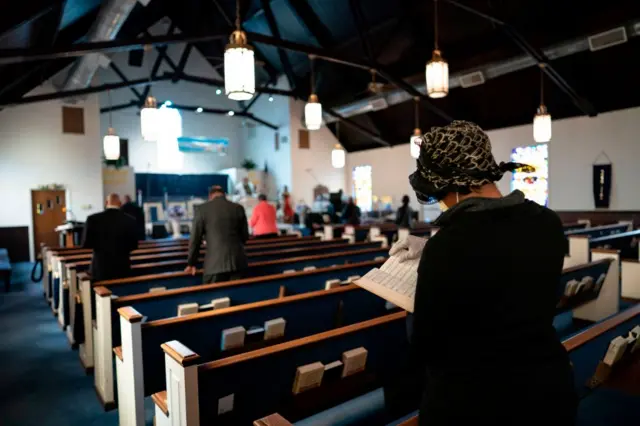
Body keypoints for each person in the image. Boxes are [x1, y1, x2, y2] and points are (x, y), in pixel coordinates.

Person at [389, 121, 575, 425]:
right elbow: (507, 259)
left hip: (476, 402)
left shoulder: (449, 246)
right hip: (547, 390)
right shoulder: (548, 223)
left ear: (449, 183)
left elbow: (425, 342)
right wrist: (431, 249)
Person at [185, 185, 249, 283]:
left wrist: (191, 263)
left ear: (210, 196)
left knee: (214, 296)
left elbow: (195, 239)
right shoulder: (238, 208)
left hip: (214, 265)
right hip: (239, 263)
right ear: (225, 195)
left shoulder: (202, 209)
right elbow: (245, 236)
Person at [81, 193, 138, 281]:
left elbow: (86, 244)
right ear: (120, 204)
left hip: (100, 267)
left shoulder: (92, 219)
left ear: (106, 203)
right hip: (122, 267)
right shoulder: (130, 220)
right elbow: (133, 245)